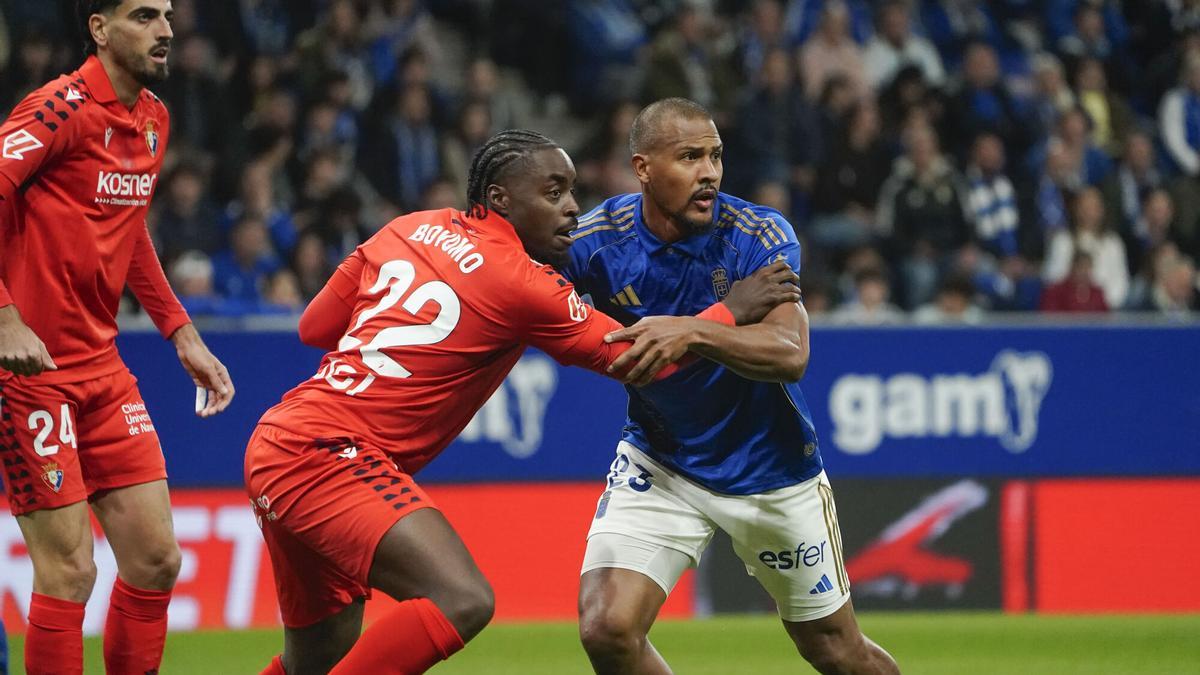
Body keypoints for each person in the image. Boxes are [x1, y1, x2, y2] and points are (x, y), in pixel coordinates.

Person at [246, 129, 800, 675]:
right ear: (499, 199)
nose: (572, 211)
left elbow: (314, 327)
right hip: (330, 454)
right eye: (553, 193)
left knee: (317, 657)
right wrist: (728, 312)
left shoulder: (408, 227)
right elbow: (645, 363)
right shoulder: (526, 284)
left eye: (573, 192)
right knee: (460, 600)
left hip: (279, 438)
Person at [566, 98, 899, 675]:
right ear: (643, 167)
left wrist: (691, 331)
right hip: (662, 460)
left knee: (836, 650)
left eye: (715, 156)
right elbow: (518, 287)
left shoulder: (757, 234)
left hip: (770, 471)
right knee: (607, 628)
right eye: (690, 157)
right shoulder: (596, 242)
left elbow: (789, 353)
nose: (710, 173)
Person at [0, 2, 235, 674]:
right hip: (31, 373)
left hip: (102, 368)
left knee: (158, 558)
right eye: (142, 15)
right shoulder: (58, 109)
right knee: (69, 571)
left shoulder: (153, 120)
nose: (164, 29)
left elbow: (127, 230)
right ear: (99, 28)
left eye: (166, 14)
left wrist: (180, 331)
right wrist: (4, 317)